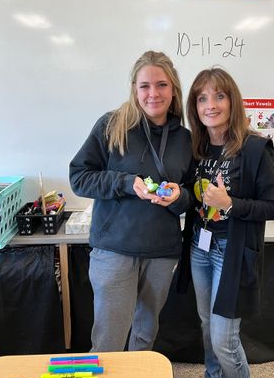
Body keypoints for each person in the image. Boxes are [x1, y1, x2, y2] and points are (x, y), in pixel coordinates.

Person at [69, 50, 194, 352]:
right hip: (115, 250)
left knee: (145, 334)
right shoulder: (112, 126)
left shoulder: (185, 138)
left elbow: (192, 194)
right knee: (109, 339)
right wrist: (125, 182)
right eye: (145, 86)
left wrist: (179, 198)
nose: (154, 94)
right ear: (134, 89)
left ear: (174, 88)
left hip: (161, 253)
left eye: (162, 85)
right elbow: (79, 177)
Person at [184, 68, 274, 378]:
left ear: (232, 100)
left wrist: (231, 205)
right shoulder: (195, 147)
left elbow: (272, 206)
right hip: (199, 248)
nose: (211, 105)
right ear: (195, 106)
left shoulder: (255, 148)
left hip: (233, 253)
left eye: (219, 96)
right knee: (208, 328)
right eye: (202, 98)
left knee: (225, 338)